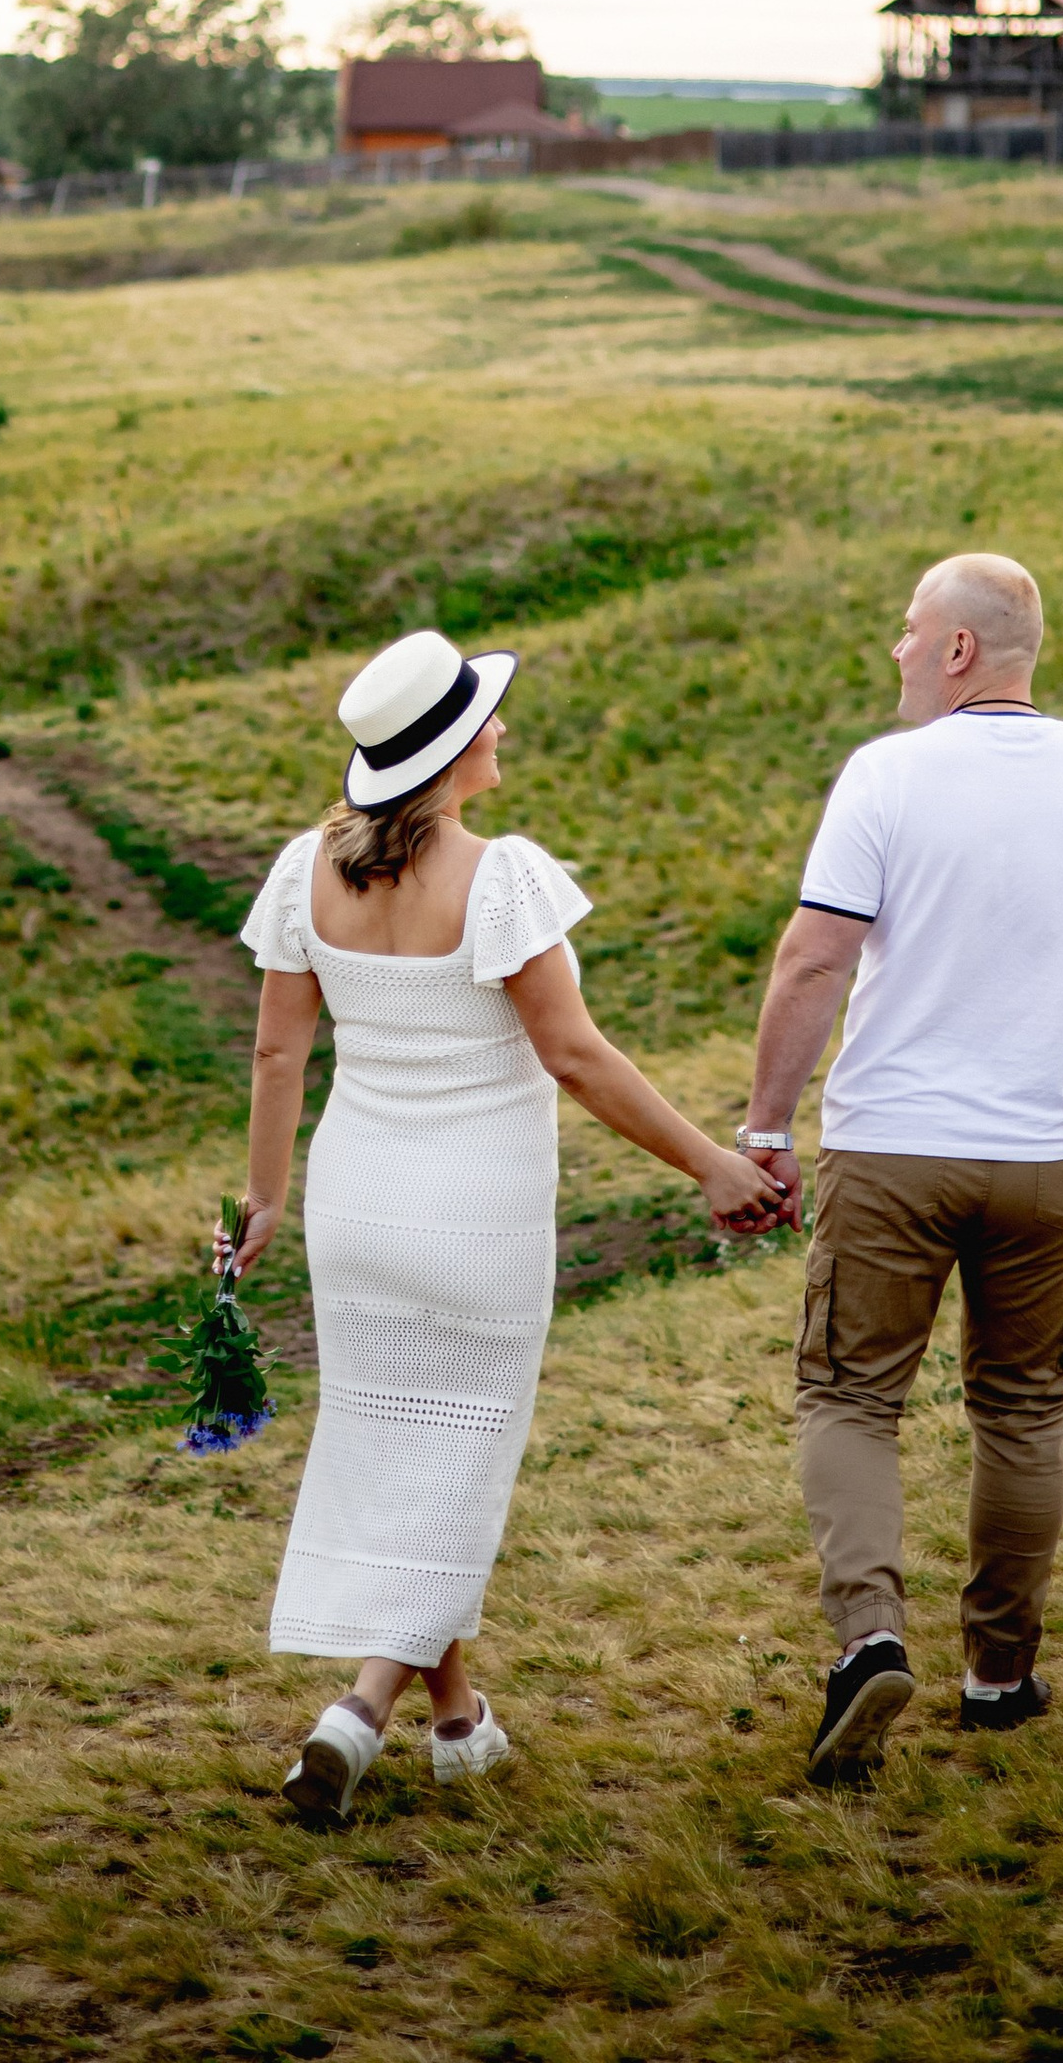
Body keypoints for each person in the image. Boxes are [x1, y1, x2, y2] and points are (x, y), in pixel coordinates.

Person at [225, 626, 781, 1823]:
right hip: (475, 1215)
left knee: (405, 1453)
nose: (505, 726)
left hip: (357, 1205)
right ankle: (359, 1709)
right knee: (459, 1464)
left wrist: (265, 1198)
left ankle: (458, 1719)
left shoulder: (303, 871)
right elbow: (573, 1055)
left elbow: (278, 1047)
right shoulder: (500, 874)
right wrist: (707, 1163)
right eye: (490, 714)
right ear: (451, 750)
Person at [735, 551, 1063, 1782]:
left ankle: (870, 1639)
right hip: (1048, 1156)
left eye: (906, 628)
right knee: (1024, 1406)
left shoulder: (886, 777)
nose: (893, 648)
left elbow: (812, 963)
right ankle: (998, 1675)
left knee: (849, 1396)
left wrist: (767, 1130)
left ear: (956, 651)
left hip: (891, 1150)